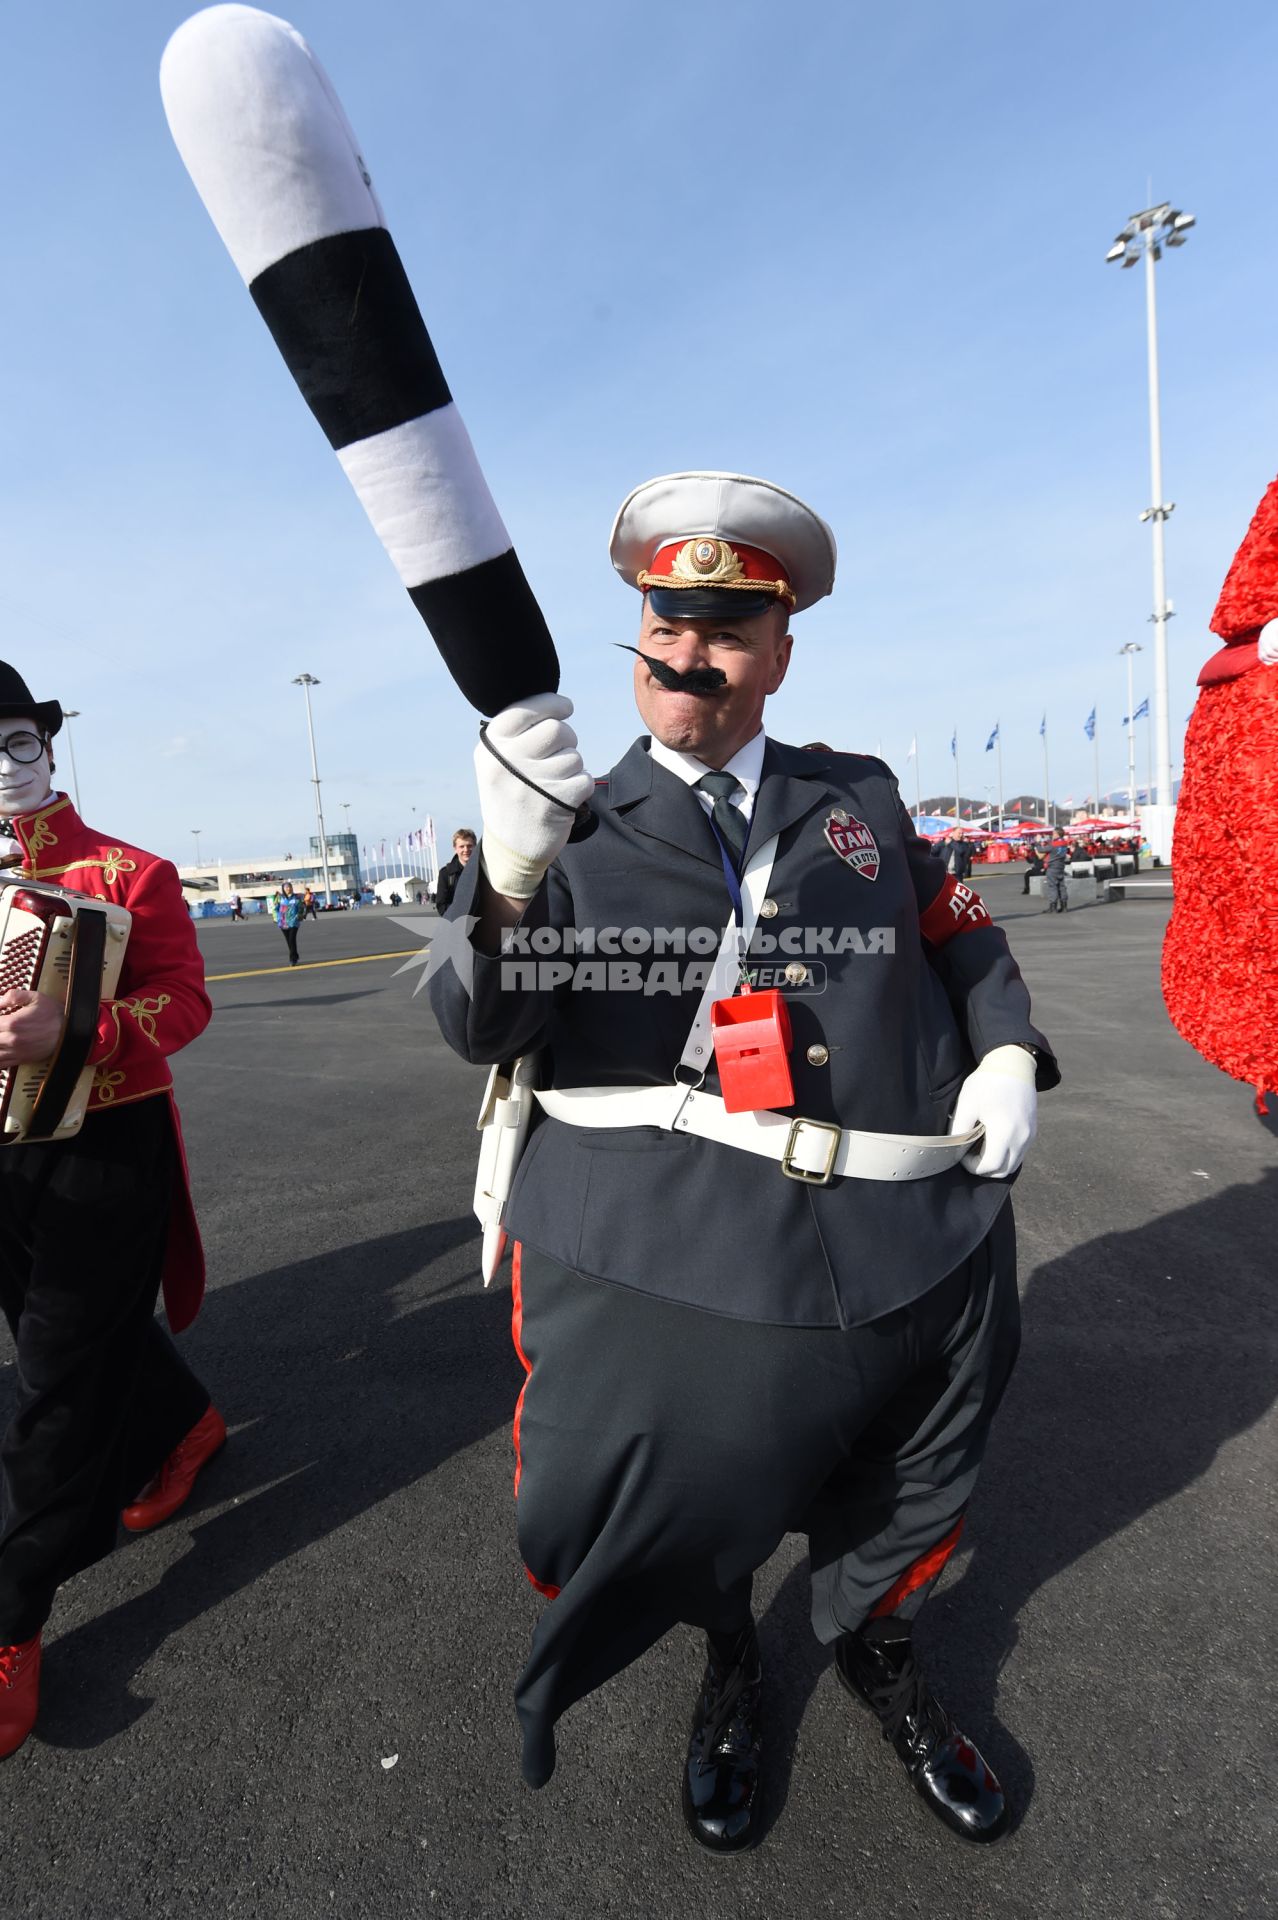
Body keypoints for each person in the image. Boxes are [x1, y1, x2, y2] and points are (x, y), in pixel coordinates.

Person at [431, 473, 1057, 1852]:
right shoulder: (564, 820)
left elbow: (959, 936)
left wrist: (1007, 1047)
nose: (690, 655)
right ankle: (727, 1652)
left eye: (726, 631)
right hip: (677, 1245)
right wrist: (517, 884)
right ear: (637, 642)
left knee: (915, 1465)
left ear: (778, 652)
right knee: (676, 1488)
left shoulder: (861, 796)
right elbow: (481, 1019)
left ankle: (874, 1643)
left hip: (902, 1226)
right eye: (668, 625)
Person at [0, 663, 225, 1760]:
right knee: (70, 1342)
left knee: (54, 1382)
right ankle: (184, 1420)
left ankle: (13, 1613)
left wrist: (80, 1031)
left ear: (46, 744)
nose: (2, 767)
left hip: (102, 1147)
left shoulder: (131, 871)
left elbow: (184, 1000)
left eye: (13, 740)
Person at [433, 828, 477, 915]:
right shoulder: (446, 873)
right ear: (455, 849)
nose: (466, 850)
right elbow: (441, 905)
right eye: (461, 846)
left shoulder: (484, 870)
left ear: (475, 846)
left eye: (469, 846)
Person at [276, 880, 303, 963]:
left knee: (292, 939)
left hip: (293, 922)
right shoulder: (280, 898)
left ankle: (293, 959)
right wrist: (277, 918)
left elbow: (301, 908)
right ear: (283, 889)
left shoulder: (296, 897)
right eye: (286, 887)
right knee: (288, 941)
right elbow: (276, 909)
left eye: (290, 887)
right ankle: (295, 955)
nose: (288, 888)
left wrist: (299, 915)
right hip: (283, 922)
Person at [1044, 836, 1069, 913]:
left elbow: (1041, 850)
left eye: (1053, 833)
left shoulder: (1054, 844)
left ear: (1057, 834)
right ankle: (1064, 906)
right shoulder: (1064, 844)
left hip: (1053, 867)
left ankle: (1053, 907)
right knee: (1062, 887)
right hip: (1060, 867)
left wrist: (1037, 842)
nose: (1052, 835)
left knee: (1053, 887)